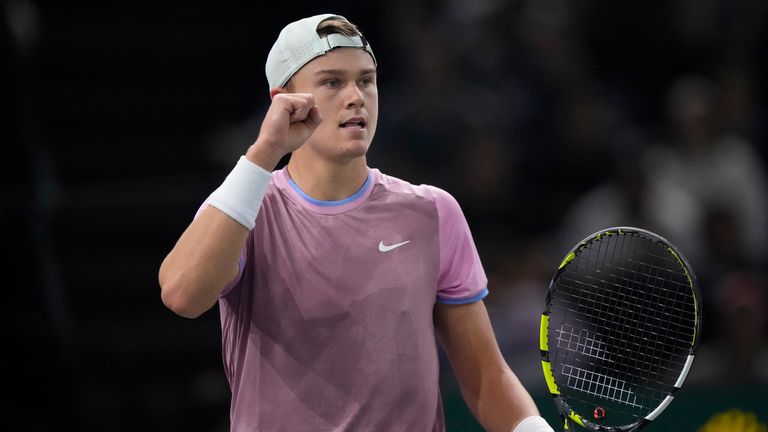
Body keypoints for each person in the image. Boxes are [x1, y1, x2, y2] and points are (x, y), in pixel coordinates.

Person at [159, 13, 553, 432]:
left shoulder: (433, 212)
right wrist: (263, 152)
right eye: (332, 82)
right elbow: (183, 295)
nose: (356, 96)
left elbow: (486, 377)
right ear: (283, 101)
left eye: (366, 80)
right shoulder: (241, 211)